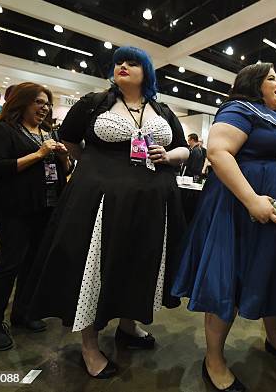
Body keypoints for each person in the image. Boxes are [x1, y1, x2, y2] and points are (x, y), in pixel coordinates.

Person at [27, 46, 189, 379]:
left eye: (132, 62)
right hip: (100, 199)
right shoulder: (94, 102)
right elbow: (70, 142)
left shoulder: (161, 108)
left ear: (147, 71)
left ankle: (128, 326)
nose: (123, 66)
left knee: (138, 262)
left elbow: (183, 147)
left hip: (152, 202)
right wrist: (92, 171)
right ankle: (89, 345)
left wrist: (169, 156)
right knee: (94, 266)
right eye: (119, 62)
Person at [172, 63, 276, 392]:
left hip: (273, 211)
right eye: (272, 77)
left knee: (272, 276)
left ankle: (274, 340)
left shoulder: (273, 118)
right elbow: (218, 152)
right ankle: (213, 360)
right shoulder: (239, 108)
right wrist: (251, 200)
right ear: (253, 83)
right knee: (229, 281)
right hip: (240, 211)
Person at [0, 82, 69, 350]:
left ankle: (23, 312)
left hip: (46, 207)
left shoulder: (45, 132)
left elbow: (57, 170)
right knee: (9, 266)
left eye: (47, 104)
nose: (45, 108)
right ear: (22, 102)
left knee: (33, 264)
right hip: (16, 209)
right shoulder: (3, 130)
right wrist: (38, 154)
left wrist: (63, 158)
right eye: (39, 102)